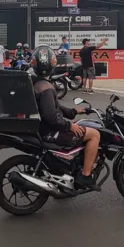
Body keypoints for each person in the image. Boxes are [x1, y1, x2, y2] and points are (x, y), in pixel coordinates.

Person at [30, 45, 102, 191]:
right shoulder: (46, 87)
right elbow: (51, 115)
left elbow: (55, 107)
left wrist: (74, 112)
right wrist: (70, 126)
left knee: (79, 127)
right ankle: (86, 176)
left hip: (42, 128)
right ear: (53, 63)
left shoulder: (37, 83)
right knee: (95, 134)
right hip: (50, 132)